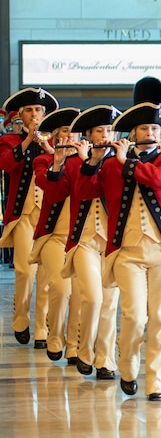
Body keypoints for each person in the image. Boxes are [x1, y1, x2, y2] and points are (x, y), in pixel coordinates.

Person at [78, 92, 161, 400]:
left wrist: (125, 160)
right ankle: (127, 365)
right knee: (134, 317)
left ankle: (157, 380)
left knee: (160, 318)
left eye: (155, 129)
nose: (150, 133)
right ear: (133, 134)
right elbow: (84, 191)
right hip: (127, 252)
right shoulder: (112, 164)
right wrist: (94, 160)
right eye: (144, 129)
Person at [51, 105, 122, 378]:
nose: (106, 135)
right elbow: (57, 194)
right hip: (83, 240)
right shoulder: (74, 162)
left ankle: (105, 360)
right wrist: (60, 163)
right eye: (100, 131)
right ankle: (84, 350)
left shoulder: (122, 162)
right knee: (92, 298)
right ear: (89, 136)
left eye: (109, 130)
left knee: (110, 302)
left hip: (113, 242)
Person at [0, 88, 59, 348]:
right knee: (25, 270)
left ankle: (41, 329)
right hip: (23, 215)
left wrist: (45, 143)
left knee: (47, 273)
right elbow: (7, 164)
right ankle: (21, 317)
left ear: (45, 114)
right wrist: (27, 141)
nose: (34, 114)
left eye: (38, 110)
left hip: (49, 216)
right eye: (29, 111)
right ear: (20, 116)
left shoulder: (55, 141)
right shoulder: (11, 140)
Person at [30, 107, 82, 365]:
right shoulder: (42, 161)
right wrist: (58, 161)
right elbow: (48, 188)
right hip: (53, 237)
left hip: (82, 240)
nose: (70, 136)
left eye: (75, 132)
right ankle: (54, 337)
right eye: (65, 131)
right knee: (61, 288)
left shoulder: (89, 162)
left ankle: (73, 346)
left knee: (80, 295)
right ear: (55, 136)